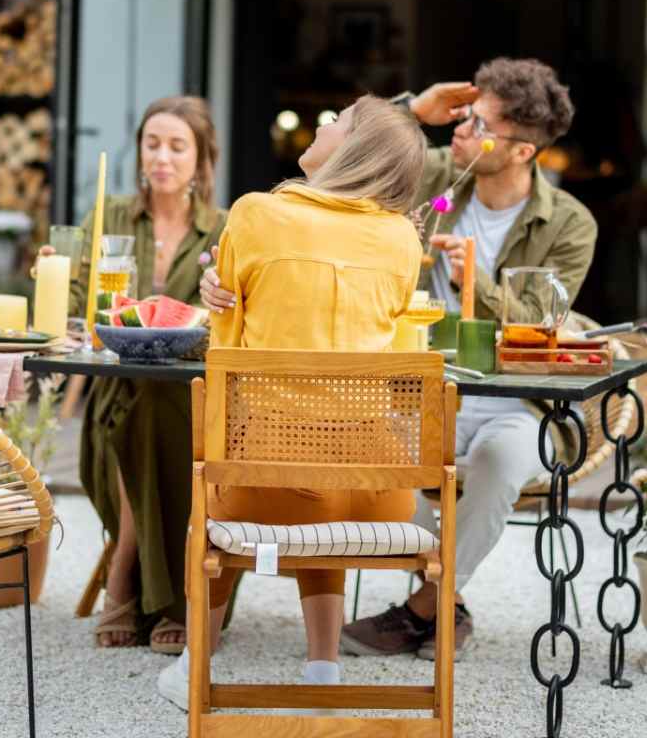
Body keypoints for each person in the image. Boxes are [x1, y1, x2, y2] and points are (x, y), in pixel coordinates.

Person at [158, 95, 427, 712]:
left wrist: (225, 288)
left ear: (354, 149)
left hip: (263, 490)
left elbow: (225, 355)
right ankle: (322, 669)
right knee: (322, 456)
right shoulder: (401, 239)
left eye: (340, 119)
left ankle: (195, 662)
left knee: (242, 463)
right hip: (381, 493)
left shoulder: (255, 214)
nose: (325, 121)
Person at [340, 58, 598, 661]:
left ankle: (421, 609)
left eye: (477, 123)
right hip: (425, 393)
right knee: (367, 446)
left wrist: (474, 277)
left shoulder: (569, 223)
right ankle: (444, 608)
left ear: (520, 152)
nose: (459, 130)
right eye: (462, 115)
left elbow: (539, 318)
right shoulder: (436, 176)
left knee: (499, 461)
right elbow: (341, 156)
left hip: (520, 404)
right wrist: (411, 111)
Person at [67, 96, 227, 656]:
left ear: (202, 159)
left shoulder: (223, 230)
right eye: (152, 143)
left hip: (191, 400)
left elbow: (228, 324)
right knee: (139, 415)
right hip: (116, 391)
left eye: (177, 146)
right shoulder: (108, 216)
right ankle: (172, 599)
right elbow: (77, 301)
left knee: (156, 413)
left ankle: (124, 579)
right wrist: (56, 276)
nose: (161, 156)